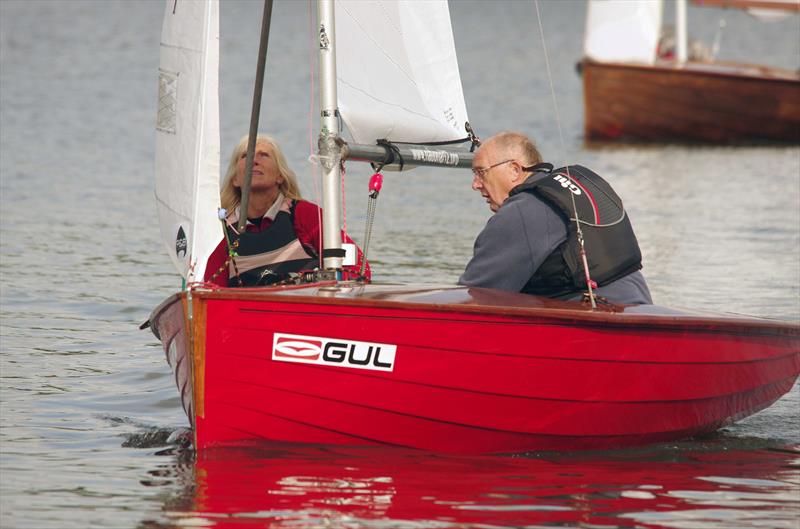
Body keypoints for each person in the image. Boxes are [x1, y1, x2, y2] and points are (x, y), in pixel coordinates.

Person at [459, 131, 652, 305]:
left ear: (515, 170)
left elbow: (474, 295)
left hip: (594, 326)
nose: (475, 184)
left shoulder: (521, 212)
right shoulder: (574, 189)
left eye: (481, 172)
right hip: (643, 311)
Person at [204, 134, 369, 287]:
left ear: (280, 176)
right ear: (235, 179)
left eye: (264, 155)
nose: (254, 160)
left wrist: (339, 282)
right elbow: (208, 292)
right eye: (245, 156)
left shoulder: (305, 215)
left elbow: (359, 267)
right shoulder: (221, 233)